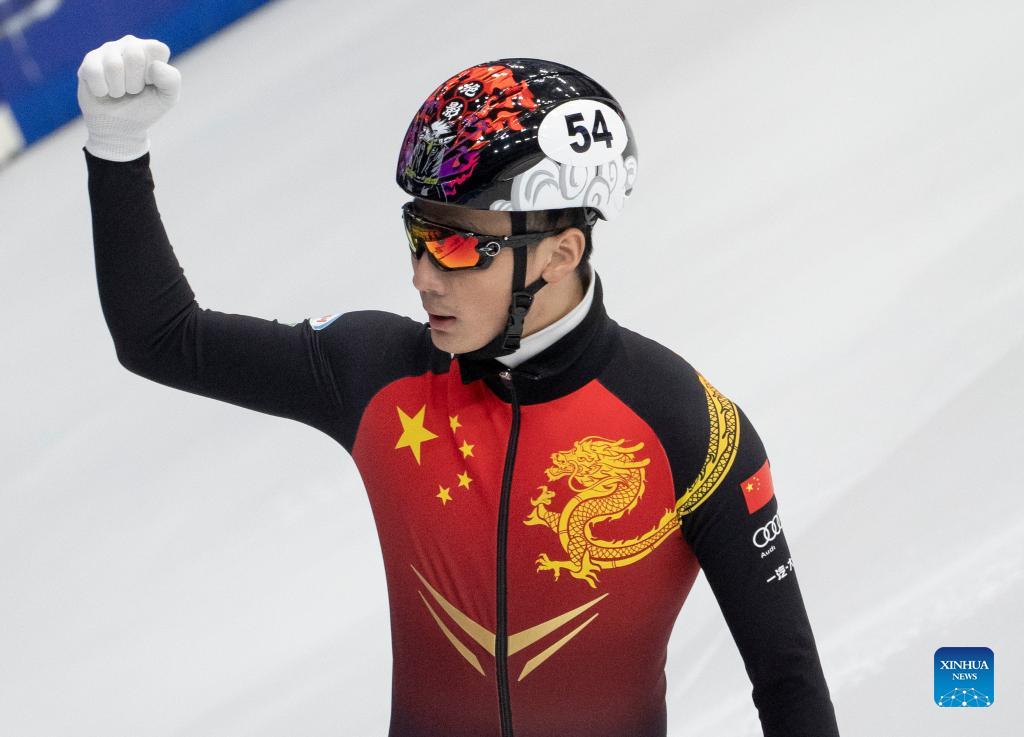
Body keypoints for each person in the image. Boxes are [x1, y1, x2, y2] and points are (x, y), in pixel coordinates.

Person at [78, 35, 841, 737]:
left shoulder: (690, 428)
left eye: (454, 244)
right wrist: (117, 151)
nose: (421, 276)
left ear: (559, 253)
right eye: (417, 234)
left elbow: (789, 682)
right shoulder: (377, 372)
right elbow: (162, 338)